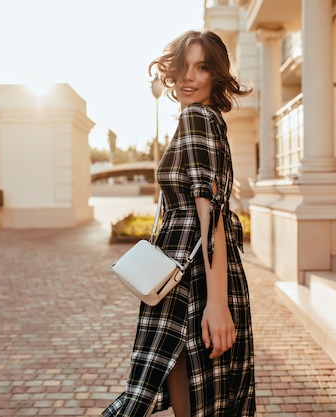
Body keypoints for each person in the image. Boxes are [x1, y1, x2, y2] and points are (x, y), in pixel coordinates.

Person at [103, 30, 255, 417]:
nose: (189, 77)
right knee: (200, 393)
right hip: (187, 271)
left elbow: (212, 213)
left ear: (216, 74)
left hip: (192, 274)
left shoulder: (197, 118)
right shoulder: (210, 119)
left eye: (201, 67)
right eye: (182, 67)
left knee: (180, 391)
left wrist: (217, 303)